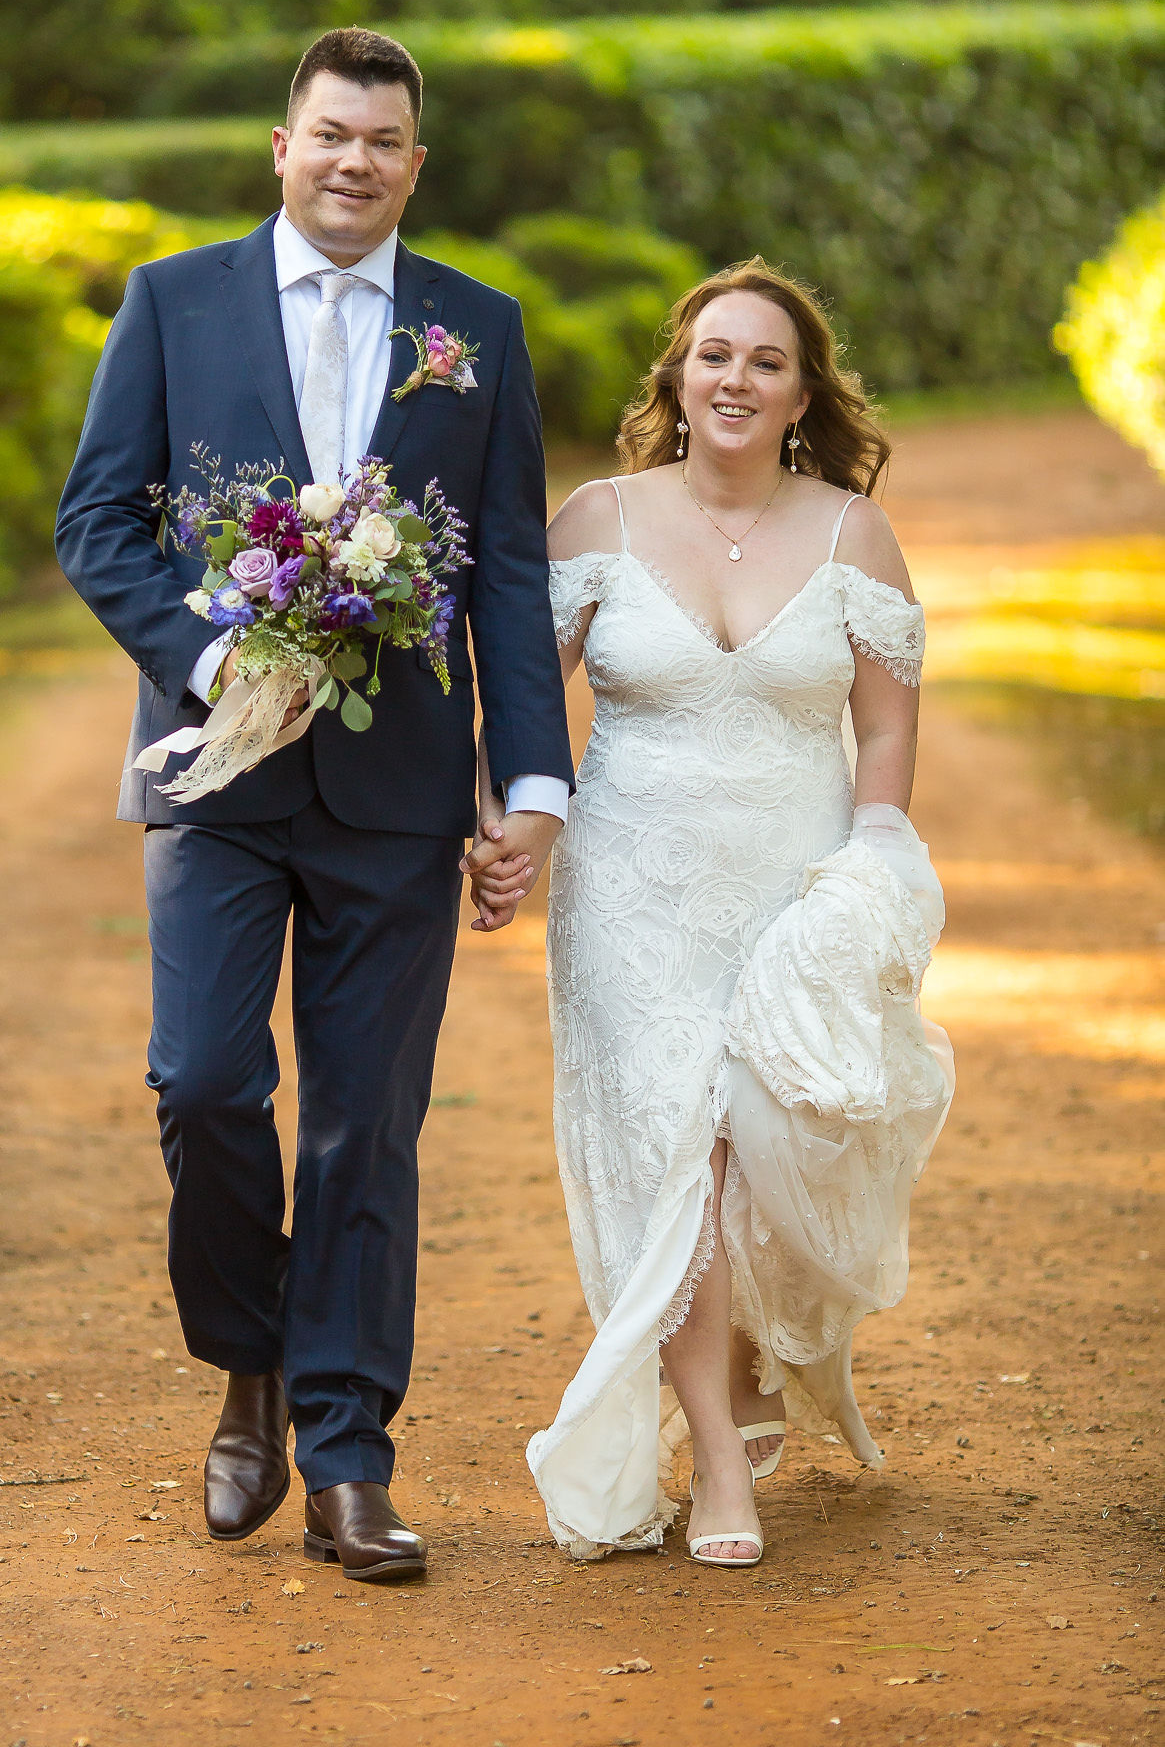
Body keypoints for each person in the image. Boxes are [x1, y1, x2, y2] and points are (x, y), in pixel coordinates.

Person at [56, 27, 573, 1583]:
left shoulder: (474, 329)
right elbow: (98, 522)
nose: (355, 161)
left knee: (366, 1127)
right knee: (205, 1080)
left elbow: (506, 565)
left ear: (416, 165)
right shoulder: (173, 302)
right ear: (281, 146)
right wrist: (216, 658)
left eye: (385, 141)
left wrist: (530, 785)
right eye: (330, 133)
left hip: (398, 787)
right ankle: (250, 1365)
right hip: (218, 776)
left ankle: (348, 1456)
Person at [469, 261, 953, 1566]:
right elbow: (520, 697)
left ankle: (741, 1373)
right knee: (674, 1160)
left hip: (794, 889)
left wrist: (873, 861)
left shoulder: (854, 536)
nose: (735, 378)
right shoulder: (596, 521)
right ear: (676, 381)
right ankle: (716, 1461)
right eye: (713, 355)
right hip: (630, 893)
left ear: (801, 396)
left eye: (765, 361)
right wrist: (507, 818)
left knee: (763, 1152)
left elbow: (888, 720)